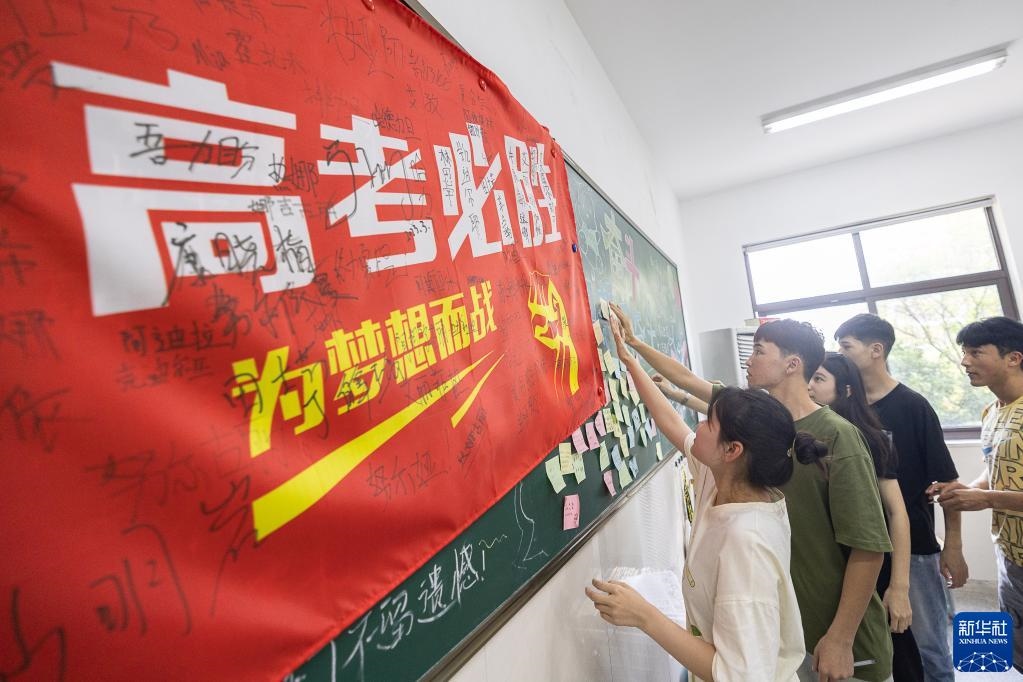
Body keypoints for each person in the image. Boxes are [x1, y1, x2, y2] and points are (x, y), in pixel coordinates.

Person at [610, 303, 893, 682]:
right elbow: (675, 420)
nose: (749, 359)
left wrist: (842, 637)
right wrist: (630, 355)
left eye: (759, 350)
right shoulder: (731, 460)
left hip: (830, 638)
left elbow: (868, 544)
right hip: (778, 634)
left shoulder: (751, 529)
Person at [586, 313, 816, 681]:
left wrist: (644, 615)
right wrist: (628, 360)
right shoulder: (725, 478)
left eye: (709, 422)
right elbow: (671, 423)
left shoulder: (748, 543)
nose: (698, 425)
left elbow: (740, 676)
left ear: (732, 450)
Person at [835, 313, 967, 682]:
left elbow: (949, 484)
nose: (840, 354)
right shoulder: (845, 408)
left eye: (846, 346)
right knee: (891, 648)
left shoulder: (912, 406)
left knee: (930, 648)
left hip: (916, 547)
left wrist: (953, 546)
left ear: (876, 350)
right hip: (864, 548)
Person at [810, 353, 924, 681]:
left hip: (873, 563)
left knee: (894, 653)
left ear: (846, 390)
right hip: (835, 567)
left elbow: (897, 513)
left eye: (819, 378)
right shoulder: (807, 435)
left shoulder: (870, 438)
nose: (809, 386)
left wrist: (899, 587)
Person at [932, 316, 1023, 673]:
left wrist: (987, 500)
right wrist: (968, 490)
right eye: (964, 353)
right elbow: (996, 468)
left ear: (1013, 358)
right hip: (1010, 554)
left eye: (975, 353)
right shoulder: (991, 412)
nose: (964, 361)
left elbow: (994, 493)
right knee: (1015, 650)